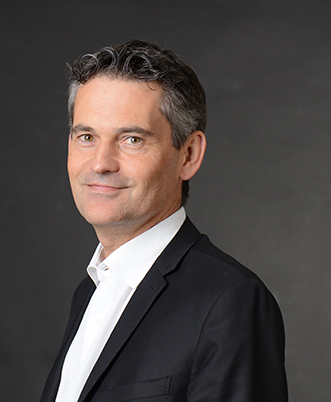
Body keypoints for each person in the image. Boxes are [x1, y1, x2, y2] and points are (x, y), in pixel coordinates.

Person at [40, 39, 288, 402]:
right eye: (87, 136)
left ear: (188, 154)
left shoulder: (228, 302)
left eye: (132, 139)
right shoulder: (89, 293)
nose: (100, 163)